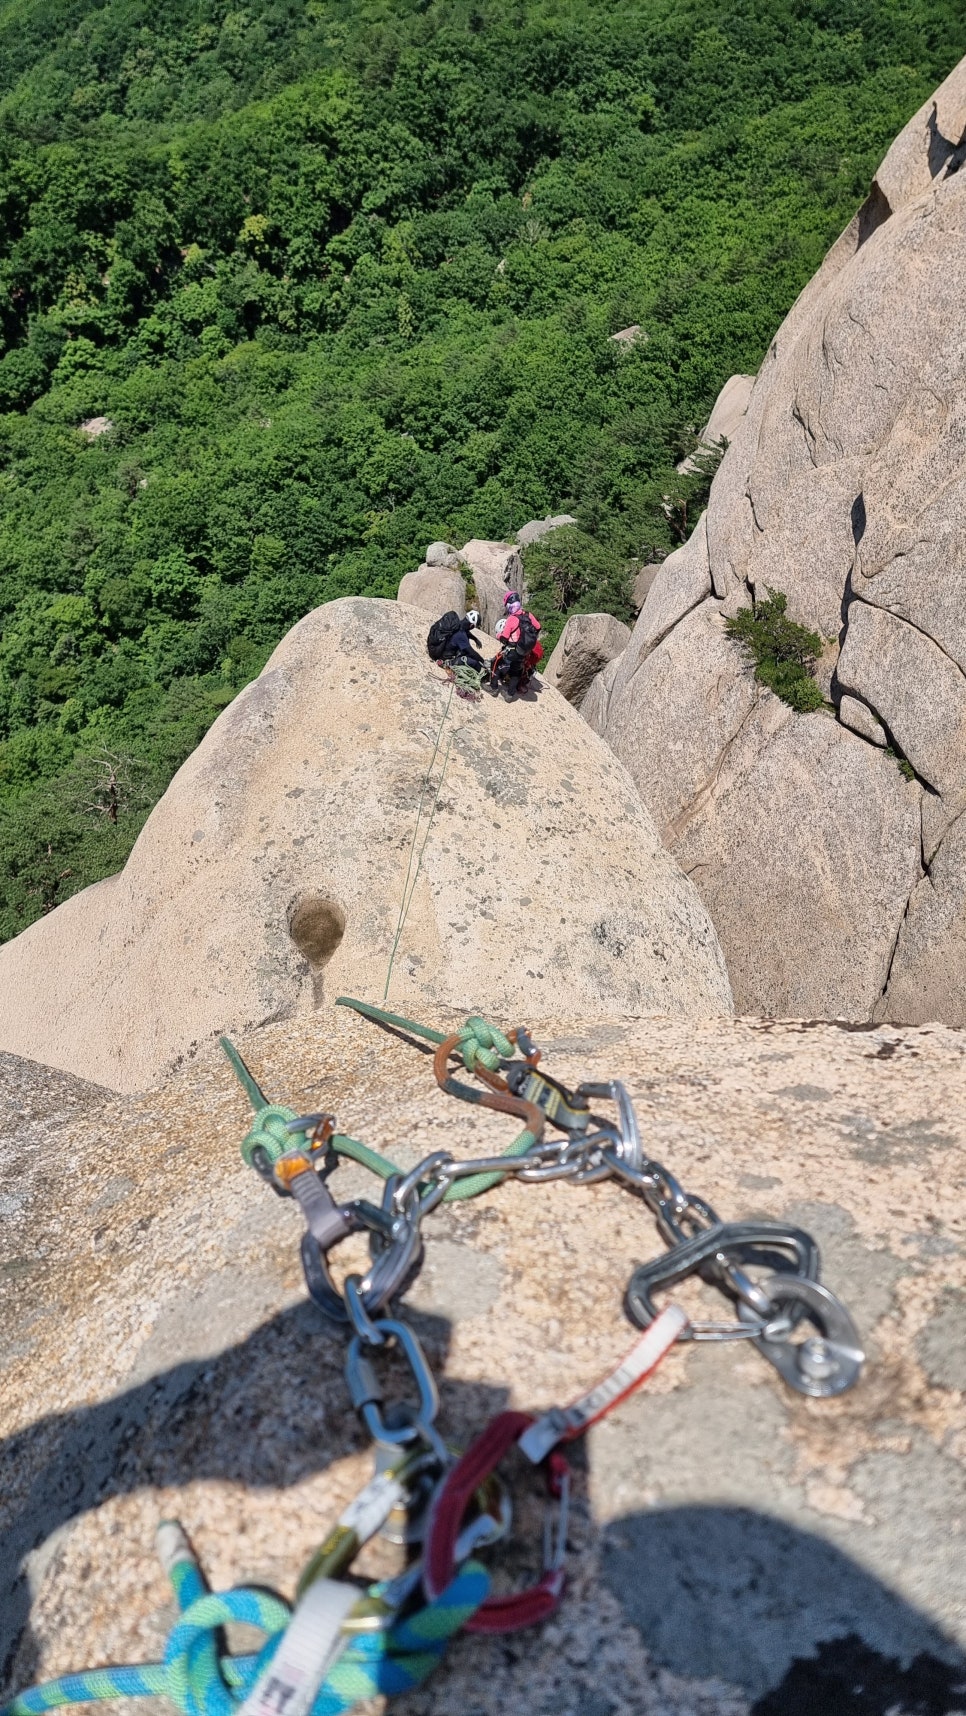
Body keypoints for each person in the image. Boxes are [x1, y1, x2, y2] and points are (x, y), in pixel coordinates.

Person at [493, 592, 543, 696]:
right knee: (516, 672)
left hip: (513, 650)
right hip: (525, 651)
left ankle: (493, 687)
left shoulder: (512, 619)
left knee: (497, 665)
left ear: (509, 605)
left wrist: (498, 635)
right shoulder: (528, 615)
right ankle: (509, 695)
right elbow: (538, 627)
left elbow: (504, 638)